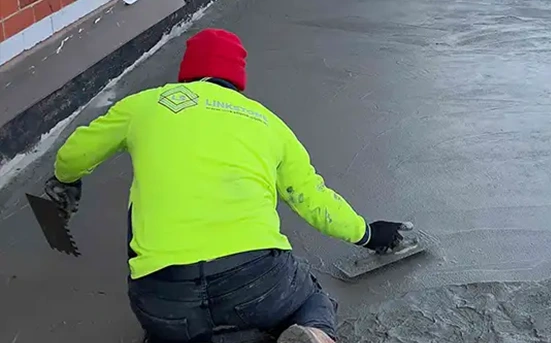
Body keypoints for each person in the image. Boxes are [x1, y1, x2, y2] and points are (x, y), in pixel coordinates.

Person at [43, 28, 407, 343]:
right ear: (238, 79)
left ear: (187, 74)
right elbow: (311, 199)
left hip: (164, 296)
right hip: (258, 283)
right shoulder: (268, 123)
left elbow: (73, 153)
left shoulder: (147, 104)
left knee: (167, 320)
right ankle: (314, 332)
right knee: (314, 300)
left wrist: (65, 181)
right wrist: (368, 234)